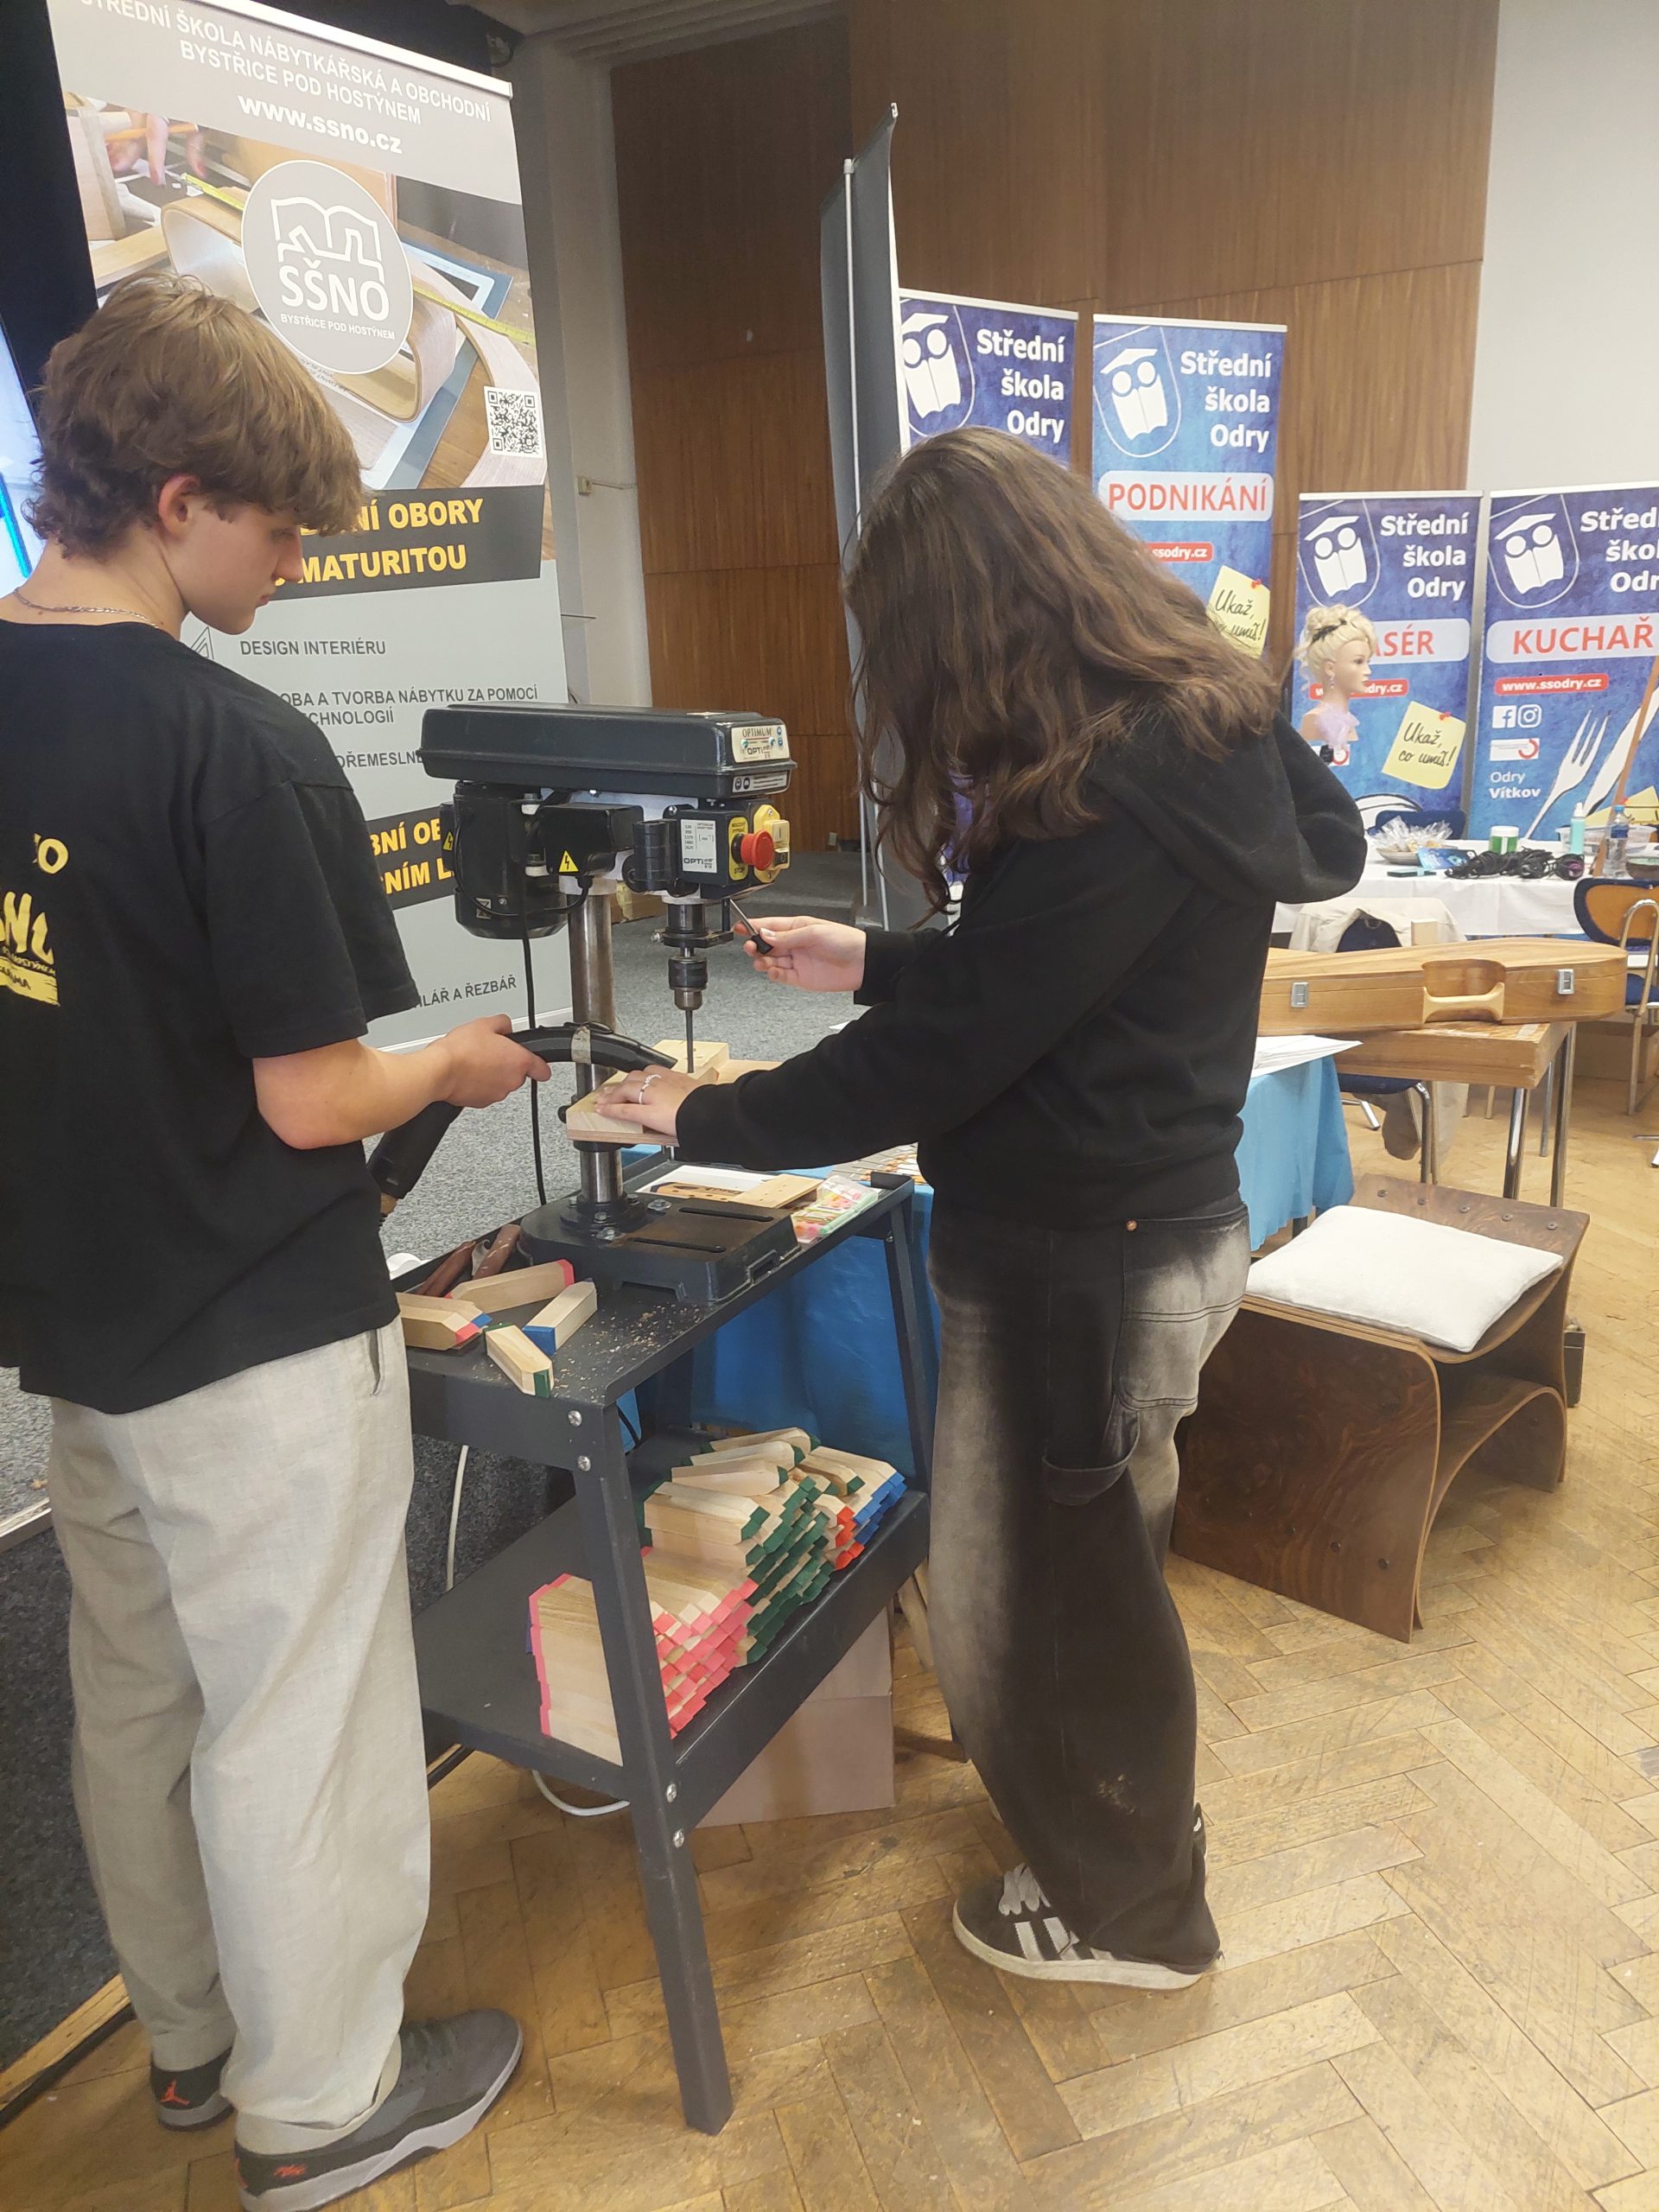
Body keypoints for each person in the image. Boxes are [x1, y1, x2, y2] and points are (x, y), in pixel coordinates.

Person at [603, 429, 1365, 1987]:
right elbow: (1047, 980)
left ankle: (1132, 1912)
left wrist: (707, 1114)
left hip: (1085, 1259)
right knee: (1096, 1574)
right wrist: (878, 959)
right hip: (1143, 1230)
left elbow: (952, 1052)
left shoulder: (1114, 788)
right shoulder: (1195, 734)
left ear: (975, 618)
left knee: (1060, 1604)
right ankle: (1121, 1842)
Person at [0, 276, 545, 2209]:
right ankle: (321, 2107)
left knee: (138, 1692)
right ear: (177, 502)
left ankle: (193, 2041)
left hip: (76, 1324)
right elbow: (314, 1098)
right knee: (298, 1713)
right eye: (286, 529)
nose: (301, 566)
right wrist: (454, 1064)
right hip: (252, 1337)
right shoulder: (236, 747)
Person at [1296, 603, 1377, 766]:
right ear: (1330, 669)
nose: (1368, 671)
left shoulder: (1350, 720)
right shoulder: (1315, 721)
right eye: (1358, 662)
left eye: (1367, 662)